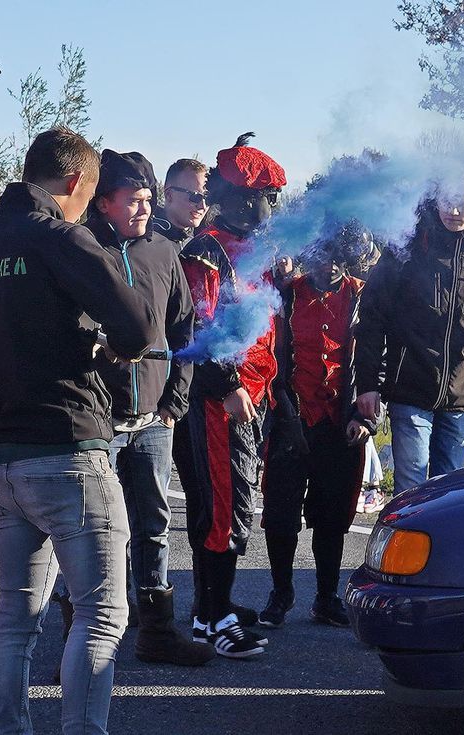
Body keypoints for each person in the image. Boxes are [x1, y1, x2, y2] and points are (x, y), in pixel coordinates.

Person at [0, 126, 155, 735]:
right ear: (73, 183)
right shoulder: (60, 237)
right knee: (100, 614)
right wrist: (100, 347)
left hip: (3, 457)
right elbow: (137, 325)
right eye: (87, 198)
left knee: (13, 618)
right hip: (71, 449)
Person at [86, 149, 209, 666]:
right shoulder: (82, 248)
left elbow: (185, 329)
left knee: (153, 523)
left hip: (154, 420)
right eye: (132, 200)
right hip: (97, 421)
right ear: (103, 202)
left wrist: (175, 400)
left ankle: (156, 630)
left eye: (148, 200)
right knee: (96, 529)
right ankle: (89, 639)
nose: (144, 209)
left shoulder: (163, 253)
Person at [174, 134, 284, 659]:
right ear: (243, 198)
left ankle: (210, 609)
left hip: (254, 396)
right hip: (224, 399)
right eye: (268, 197)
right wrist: (230, 385)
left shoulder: (255, 251)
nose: (274, 209)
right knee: (225, 508)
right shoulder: (207, 252)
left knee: (235, 503)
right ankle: (214, 618)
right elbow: (202, 330)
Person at [354, 164, 464, 493]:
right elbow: (371, 319)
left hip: (460, 401)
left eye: (463, 202)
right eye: (446, 200)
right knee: (410, 493)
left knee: (448, 497)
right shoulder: (406, 247)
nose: (454, 210)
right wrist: (367, 384)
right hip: (410, 393)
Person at [260, 222, 377, 630]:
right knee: (280, 514)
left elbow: (373, 359)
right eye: (324, 257)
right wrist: (281, 412)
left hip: (341, 423)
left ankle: (326, 597)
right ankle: (281, 593)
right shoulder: (286, 294)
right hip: (291, 417)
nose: (330, 267)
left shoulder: (361, 296)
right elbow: (268, 354)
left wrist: (363, 417)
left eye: (339, 260)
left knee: (332, 516)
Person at [151, 158, 210, 248]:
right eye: (195, 196)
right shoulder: (147, 241)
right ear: (169, 195)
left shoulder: (201, 245)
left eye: (208, 198)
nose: (203, 206)